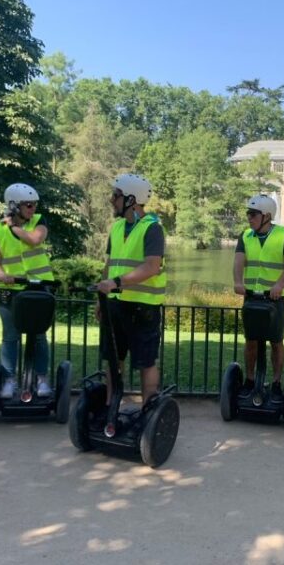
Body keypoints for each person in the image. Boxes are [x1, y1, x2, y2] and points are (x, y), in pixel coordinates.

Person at [96, 173, 166, 405]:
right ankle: (110, 409)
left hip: (143, 307)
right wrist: (101, 299)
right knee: (114, 359)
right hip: (116, 305)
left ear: (130, 199)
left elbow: (151, 267)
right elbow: (110, 264)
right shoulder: (116, 228)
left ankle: (149, 412)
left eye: (115, 195)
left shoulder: (152, 228)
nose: (111, 199)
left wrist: (116, 283)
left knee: (146, 362)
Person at [0, 183, 54, 399]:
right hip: (10, 290)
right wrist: (0, 274)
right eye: (28, 205)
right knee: (10, 337)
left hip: (38, 288)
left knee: (39, 336)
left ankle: (41, 379)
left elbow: (35, 240)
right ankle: (9, 380)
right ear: (15, 205)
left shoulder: (39, 221)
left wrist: (14, 227)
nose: (32, 208)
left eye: (34, 204)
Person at [233, 194, 284, 402]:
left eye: (253, 214)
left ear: (267, 216)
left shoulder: (283, 235)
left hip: (275, 299)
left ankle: (276, 383)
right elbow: (238, 262)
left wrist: (279, 284)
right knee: (251, 340)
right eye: (248, 214)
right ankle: (250, 380)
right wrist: (237, 282)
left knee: (276, 341)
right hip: (252, 296)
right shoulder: (245, 236)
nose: (249, 218)